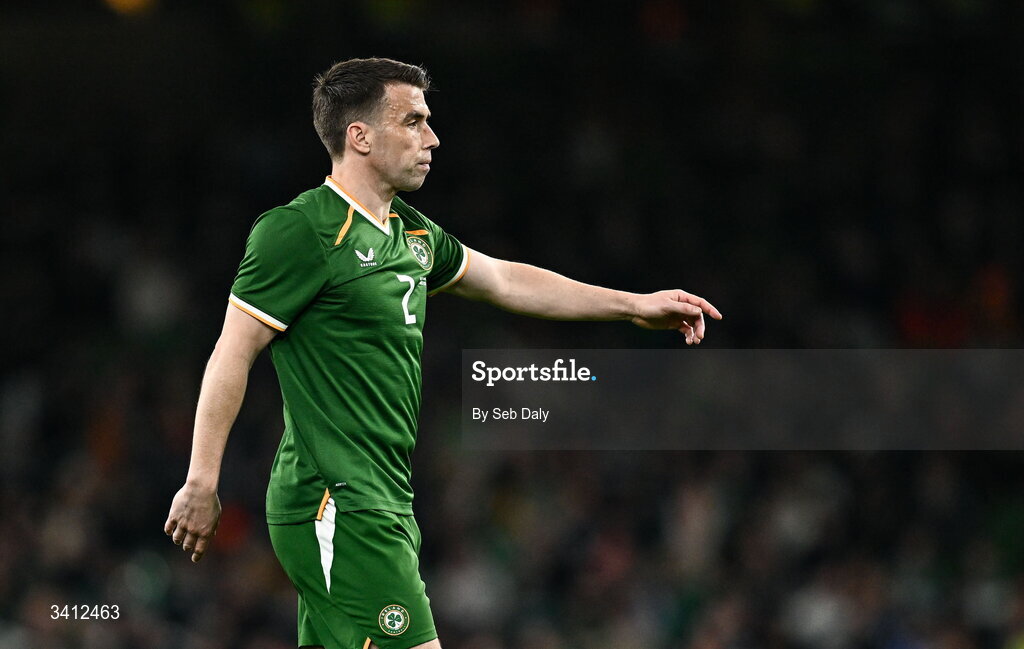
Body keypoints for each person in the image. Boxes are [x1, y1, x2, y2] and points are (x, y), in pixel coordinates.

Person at [164, 57, 722, 649]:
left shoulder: (411, 233)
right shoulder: (300, 230)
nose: (432, 138)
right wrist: (201, 479)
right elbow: (232, 352)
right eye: (413, 121)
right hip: (337, 503)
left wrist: (632, 305)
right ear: (360, 136)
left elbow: (504, 280)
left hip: (384, 500)